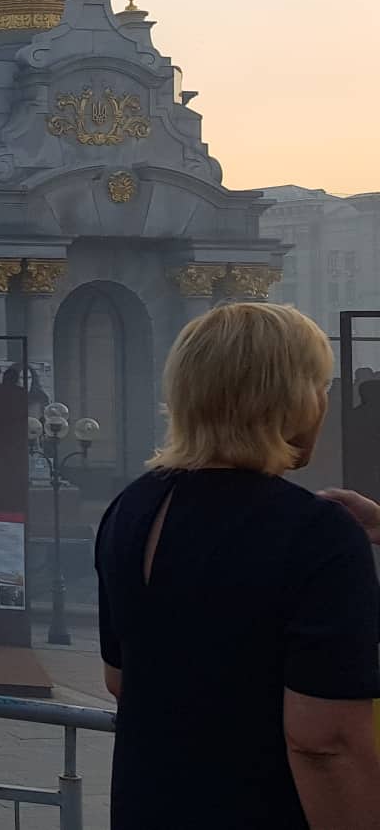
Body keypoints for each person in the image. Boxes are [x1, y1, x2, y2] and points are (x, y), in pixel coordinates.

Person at [96, 302, 380, 827]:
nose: (323, 403)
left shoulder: (131, 508)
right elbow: (325, 741)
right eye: (320, 386)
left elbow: (120, 679)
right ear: (292, 400)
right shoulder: (316, 534)